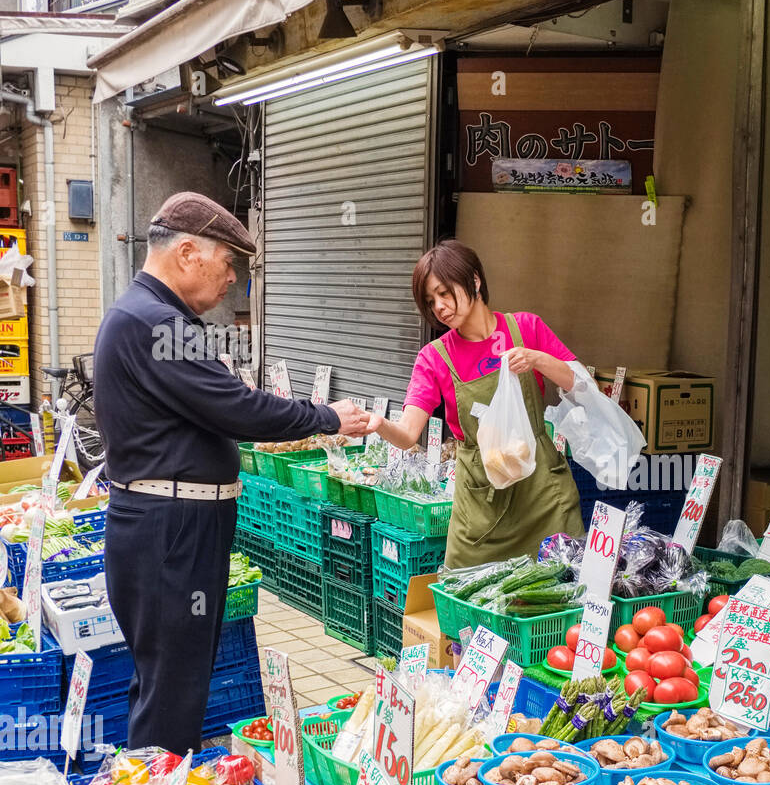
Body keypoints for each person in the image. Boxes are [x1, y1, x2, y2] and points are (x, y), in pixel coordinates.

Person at [94, 192, 375, 753]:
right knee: (174, 685)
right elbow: (237, 408)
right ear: (189, 253)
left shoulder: (145, 316)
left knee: (166, 680)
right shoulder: (157, 324)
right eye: (229, 264)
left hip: (165, 526)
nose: (232, 282)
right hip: (172, 531)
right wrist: (327, 417)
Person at [372, 239, 584, 567]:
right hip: (483, 507)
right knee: (463, 597)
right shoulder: (434, 357)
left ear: (474, 280)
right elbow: (409, 433)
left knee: (560, 595)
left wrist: (537, 358)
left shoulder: (526, 328)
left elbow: (583, 385)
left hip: (543, 494)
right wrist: (378, 424)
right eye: (431, 300)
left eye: (445, 292)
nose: (439, 307)